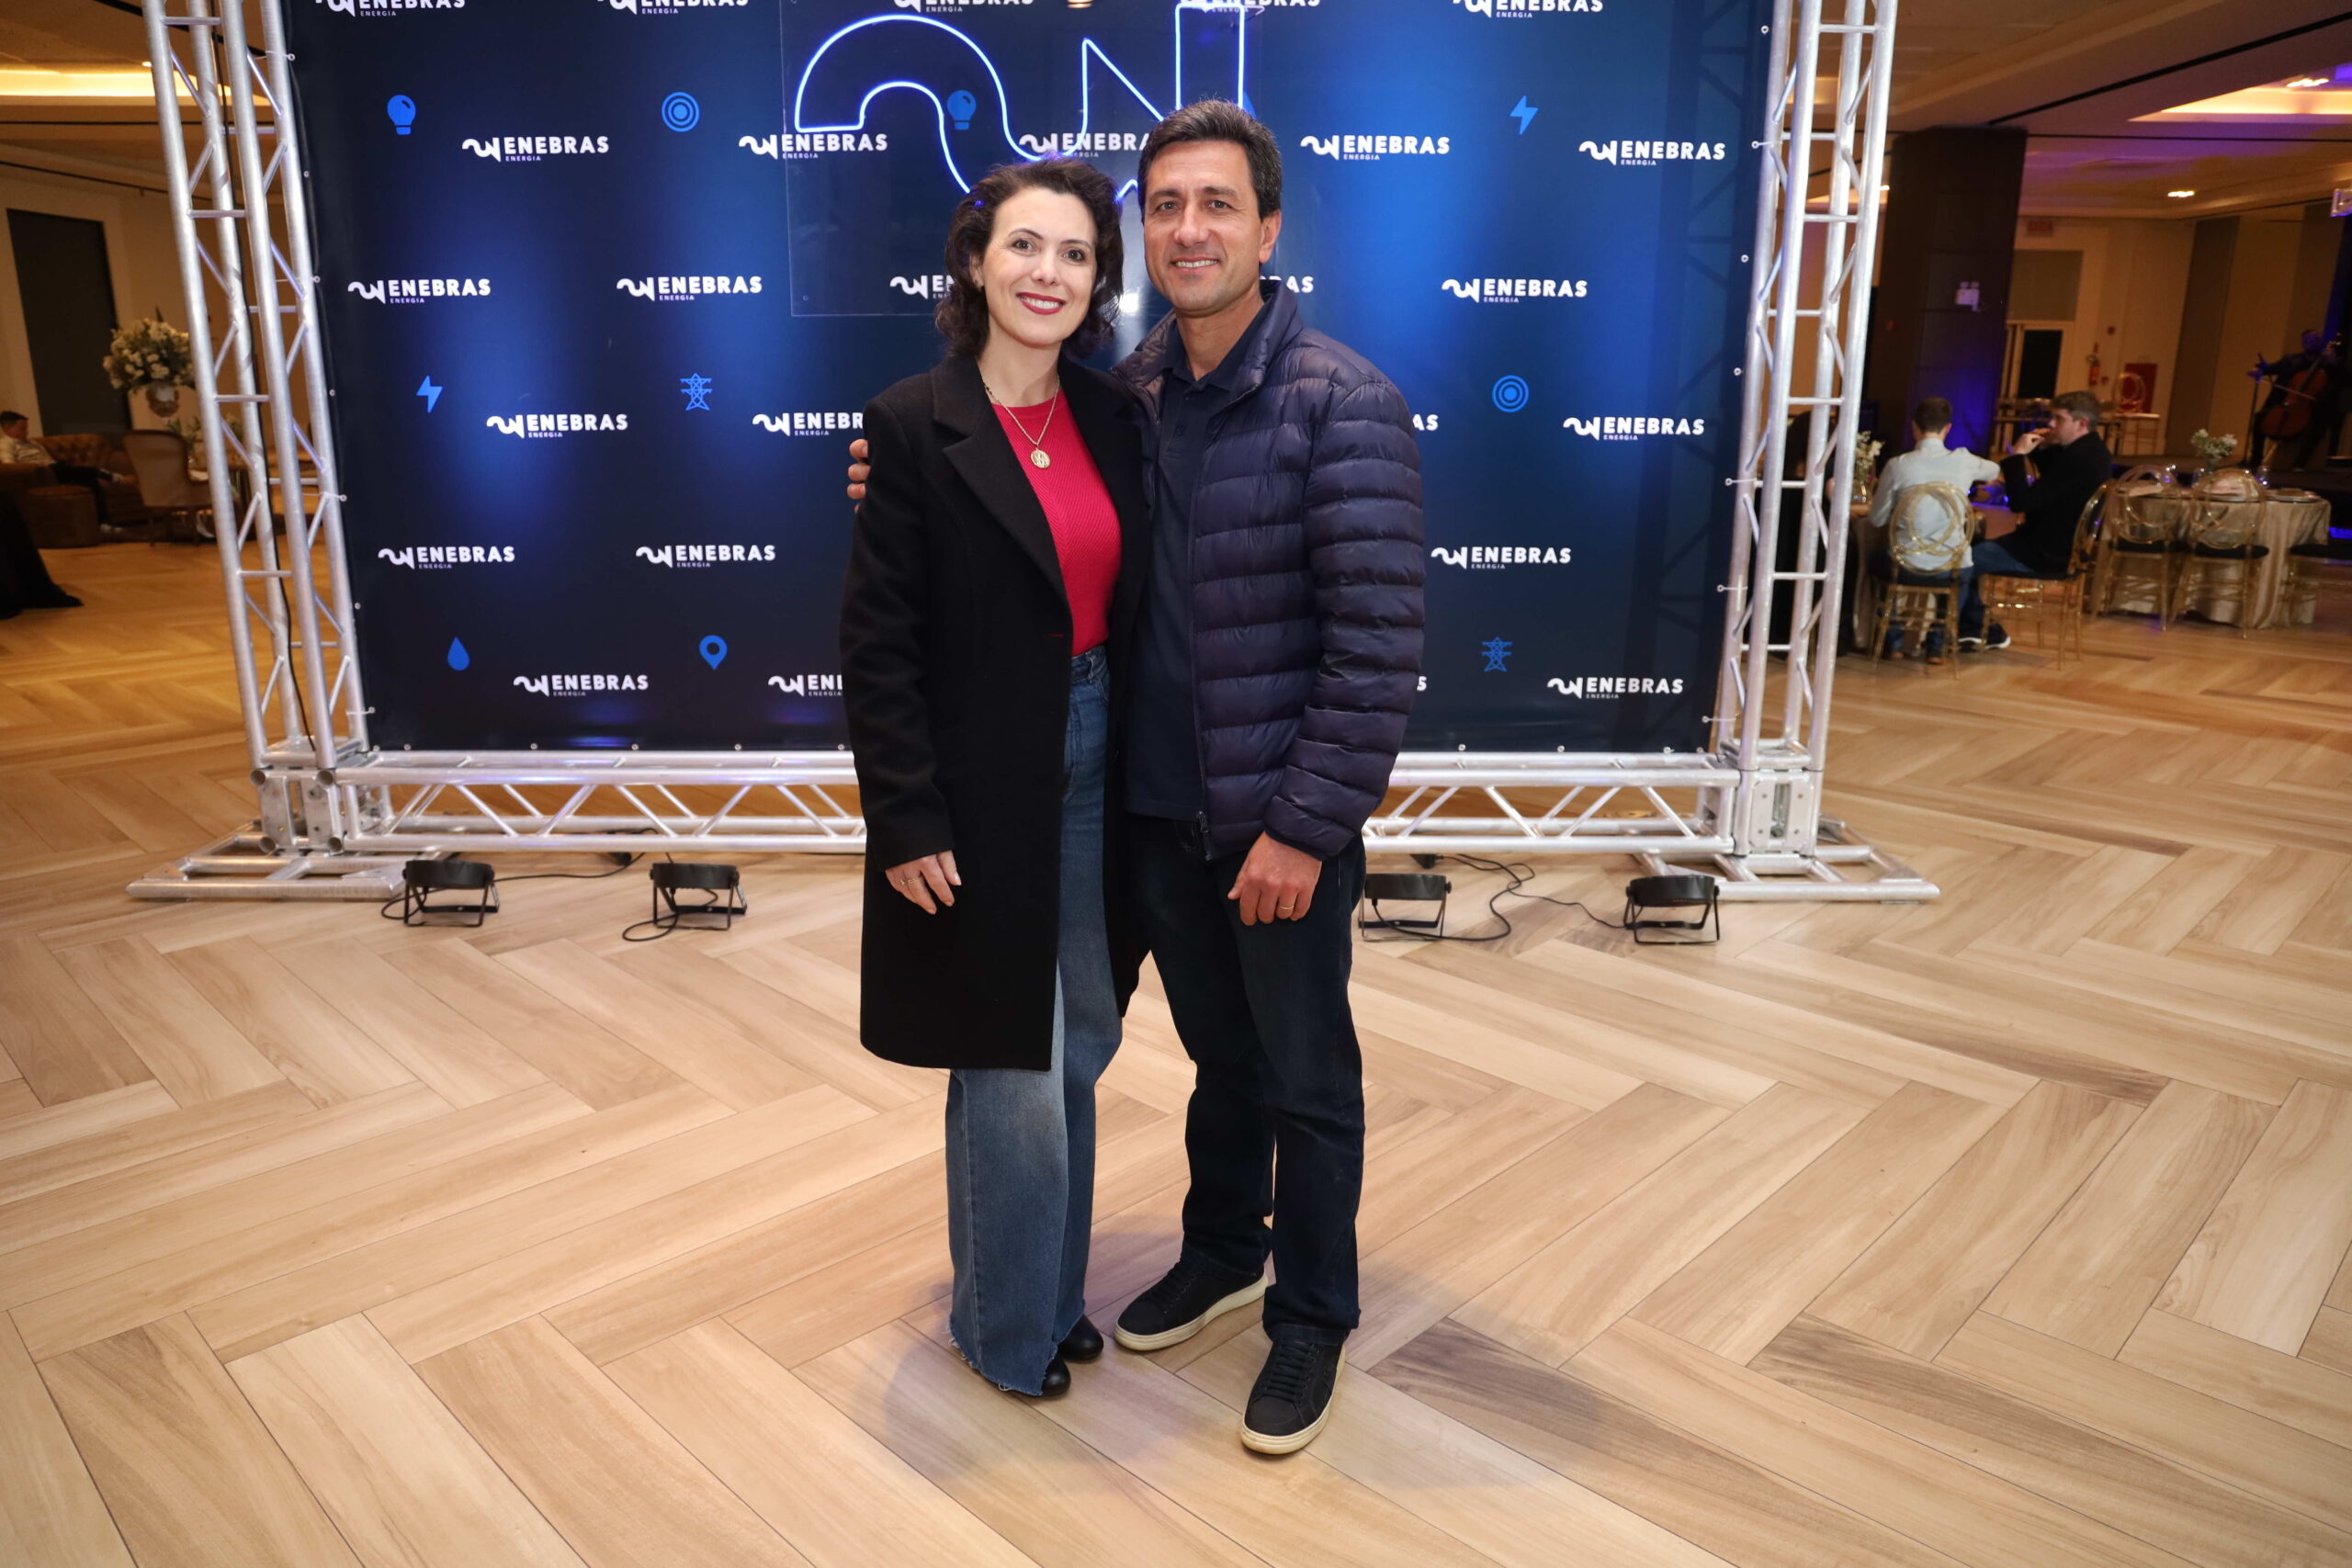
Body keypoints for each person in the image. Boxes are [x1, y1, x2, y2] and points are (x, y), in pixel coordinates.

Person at [852, 100, 1424, 1455]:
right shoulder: (1134, 395)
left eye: (1217, 204)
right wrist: (900, 468)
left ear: (1268, 230)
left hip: (1275, 819)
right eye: (1164, 206)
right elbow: (977, 521)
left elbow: (1378, 645)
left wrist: (1304, 827)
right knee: (1212, 1058)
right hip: (1147, 809)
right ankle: (1221, 1249)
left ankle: (1311, 1314)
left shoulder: (1341, 399)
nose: (1188, 229)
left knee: (1304, 1077)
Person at [840, 157, 1150, 1402]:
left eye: (1075, 254)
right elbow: (878, 644)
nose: (1048, 273)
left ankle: (1047, 1296)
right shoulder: (910, 422)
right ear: (975, 262)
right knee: (1008, 1056)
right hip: (975, 778)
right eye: (1025, 245)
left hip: (1101, 754)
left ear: (1096, 281)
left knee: (1079, 1037)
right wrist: (905, 814)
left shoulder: (1117, 417)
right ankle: (1005, 1330)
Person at [1963, 389, 2111, 649]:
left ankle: (1977, 629)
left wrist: (2017, 457)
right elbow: (2055, 476)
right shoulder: (2093, 451)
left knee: (1961, 561)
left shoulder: (2077, 460)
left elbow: (2021, 503)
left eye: (2059, 419)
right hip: (2057, 546)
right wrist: (2039, 448)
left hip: (2043, 552)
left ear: (2082, 423)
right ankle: (1975, 628)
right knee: (1970, 550)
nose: (2051, 424)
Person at [1868, 397, 1998, 661]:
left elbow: (1877, 519)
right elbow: (1994, 471)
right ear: (1948, 428)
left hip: (1905, 564)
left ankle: (1893, 640)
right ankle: (1937, 644)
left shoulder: (1898, 465)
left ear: (1914, 427)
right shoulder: (1964, 460)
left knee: (1875, 561)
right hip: (1951, 565)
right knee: (1960, 568)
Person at [0, 411, 123, 528]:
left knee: (90, 481)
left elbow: (48, 458)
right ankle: (98, 472)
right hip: (39, 474)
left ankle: (103, 523)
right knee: (68, 470)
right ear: (7, 428)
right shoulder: (6, 444)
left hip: (54, 469)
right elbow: (10, 465)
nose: (26, 432)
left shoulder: (32, 443)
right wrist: (36, 467)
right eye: (22, 429)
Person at [2246, 330, 2340, 472]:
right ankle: (2255, 459)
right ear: (2303, 343)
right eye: (2308, 340)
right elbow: (2271, 368)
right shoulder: (2290, 360)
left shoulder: (2326, 364)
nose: (2312, 343)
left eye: (2315, 340)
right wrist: (2260, 370)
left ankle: (2300, 464)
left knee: (2319, 427)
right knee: (2260, 417)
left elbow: (2345, 380)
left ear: (2320, 342)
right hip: (2286, 403)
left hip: (2311, 407)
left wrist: (2335, 363)